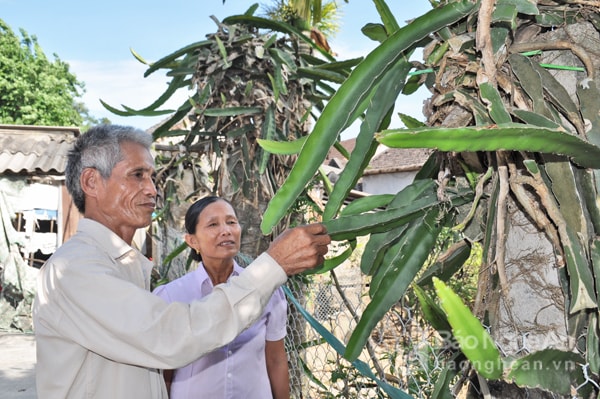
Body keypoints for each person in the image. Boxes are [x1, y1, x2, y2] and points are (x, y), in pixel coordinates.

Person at [32, 124, 331, 399]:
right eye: (137, 175)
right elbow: (171, 337)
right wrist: (273, 265)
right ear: (92, 182)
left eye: (151, 177)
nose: (152, 189)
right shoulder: (74, 270)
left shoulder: (122, 266)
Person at [154, 196, 290, 398]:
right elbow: (165, 370)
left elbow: (276, 359)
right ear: (192, 241)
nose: (226, 230)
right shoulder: (172, 296)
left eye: (231, 222)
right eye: (213, 224)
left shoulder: (266, 288)